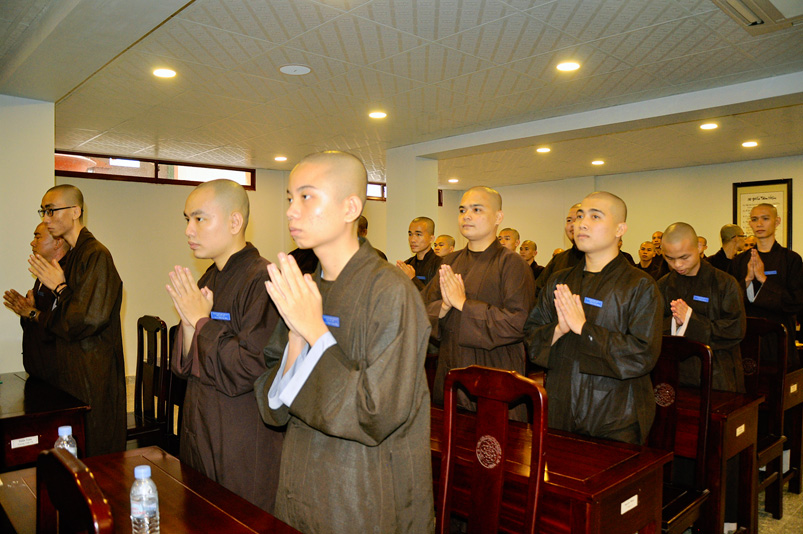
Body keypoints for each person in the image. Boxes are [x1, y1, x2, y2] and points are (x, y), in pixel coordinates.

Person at [255, 151, 433, 534]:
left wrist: (316, 333)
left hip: (363, 491)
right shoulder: (307, 288)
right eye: (290, 198)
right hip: (300, 480)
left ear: (350, 207)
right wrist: (296, 341)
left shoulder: (391, 291)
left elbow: (376, 413)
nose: (291, 211)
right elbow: (273, 410)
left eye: (306, 196)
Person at [166, 179, 283, 512]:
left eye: (199, 218)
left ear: (234, 222)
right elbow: (183, 367)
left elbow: (249, 368)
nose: (189, 230)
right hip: (199, 426)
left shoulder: (262, 280)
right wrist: (188, 325)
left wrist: (201, 322)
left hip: (238, 437)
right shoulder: (209, 277)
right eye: (187, 219)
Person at [524, 192, 662, 445]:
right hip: (560, 408)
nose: (582, 224)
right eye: (579, 216)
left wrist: (584, 328)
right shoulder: (559, 280)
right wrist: (559, 329)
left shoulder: (640, 285)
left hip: (615, 415)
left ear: (620, 229)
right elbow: (532, 336)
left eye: (595, 216)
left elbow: (642, 354)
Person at [26, 184, 126, 456]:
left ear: (75, 211)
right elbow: (61, 317)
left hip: (92, 372)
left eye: (51, 211)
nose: (46, 219)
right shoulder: (71, 257)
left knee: (97, 450)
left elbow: (88, 318)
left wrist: (60, 288)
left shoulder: (96, 255)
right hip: (71, 369)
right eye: (43, 211)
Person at [421, 186, 534, 420]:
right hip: (451, 374)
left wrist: (464, 304)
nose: (467, 216)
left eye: (477, 210)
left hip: (494, 379)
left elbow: (518, 323)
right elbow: (420, 310)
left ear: (498, 217)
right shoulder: (449, 262)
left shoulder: (512, 264)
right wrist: (443, 308)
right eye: (462, 210)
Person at [658, 223, 746, 392]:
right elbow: (652, 328)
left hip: (717, 375)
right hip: (675, 375)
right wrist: (674, 323)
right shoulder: (663, 285)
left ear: (699, 247)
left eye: (684, 257)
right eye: (669, 258)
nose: (677, 265)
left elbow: (736, 330)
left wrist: (691, 320)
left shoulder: (724, 284)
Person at [730, 203, 803, 369]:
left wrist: (763, 279)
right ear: (750, 223)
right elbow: (730, 302)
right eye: (755, 219)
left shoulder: (791, 259)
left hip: (778, 338)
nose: (759, 224)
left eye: (765, 218)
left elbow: (795, 302)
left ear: (777, 222)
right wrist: (748, 279)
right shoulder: (740, 261)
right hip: (747, 338)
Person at [4, 223, 70, 384]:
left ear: (58, 242)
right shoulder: (44, 273)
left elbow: (64, 324)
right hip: (39, 369)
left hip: (58, 375)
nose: (32, 243)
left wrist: (31, 312)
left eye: (37, 237)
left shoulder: (67, 274)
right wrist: (27, 311)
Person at [535, 203, 584, 297]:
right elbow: (538, 292)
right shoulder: (558, 260)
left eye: (579, 218)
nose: (573, 224)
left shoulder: (601, 260)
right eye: (569, 220)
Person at [396, 216, 442, 290]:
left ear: (431, 239)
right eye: (410, 234)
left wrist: (413, 279)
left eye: (418, 234)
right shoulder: (407, 264)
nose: (412, 240)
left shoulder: (440, 265)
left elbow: (434, 295)